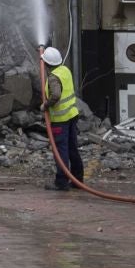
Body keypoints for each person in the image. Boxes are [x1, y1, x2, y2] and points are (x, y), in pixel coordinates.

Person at [40, 46, 84, 191]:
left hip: (61, 120)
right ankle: (77, 179)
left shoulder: (53, 77)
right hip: (72, 115)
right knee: (72, 148)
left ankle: (61, 182)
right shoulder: (65, 70)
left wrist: (45, 105)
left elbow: (56, 95)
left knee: (61, 151)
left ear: (46, 64)